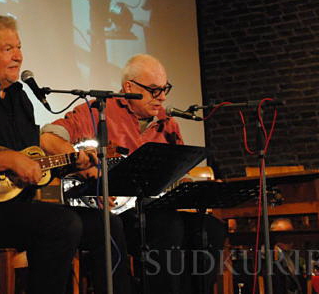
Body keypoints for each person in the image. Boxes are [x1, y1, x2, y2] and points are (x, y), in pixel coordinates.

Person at [0, 14, 131, 294]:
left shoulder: (19, 97)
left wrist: (74, 164)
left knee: (107, 224)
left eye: (19, 47)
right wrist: (10, 159)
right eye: (8, 49)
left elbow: (34, 162)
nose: (18, 57)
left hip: (18, 210)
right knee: (61, 223)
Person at [40, 54, 226, 294]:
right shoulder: (98, 112)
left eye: (165, 89)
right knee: (167, 226)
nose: (163, 97)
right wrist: (85, 165)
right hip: (116, 215)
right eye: (154, 90)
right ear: (129, 87)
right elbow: (48, 138)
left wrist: (191, 190)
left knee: (210, 229)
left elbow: (178, 176)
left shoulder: (169, 124)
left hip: (156, 211)